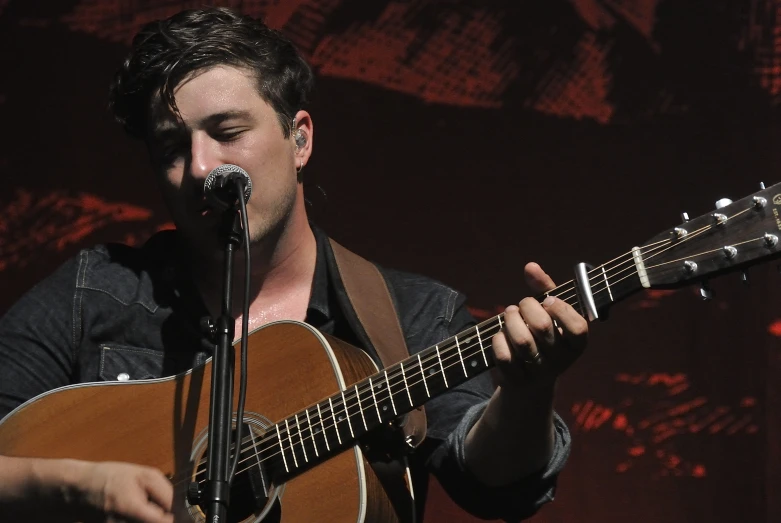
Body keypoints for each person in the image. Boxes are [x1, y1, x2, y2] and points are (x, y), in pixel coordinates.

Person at [0, 7, 587, 522]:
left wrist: (528, 394)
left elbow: (493, 487)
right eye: (173, 148)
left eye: (227, 132)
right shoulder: (95, 292)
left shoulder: (412, 314)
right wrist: (86, 487)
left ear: (299, 139)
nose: (202, 167)